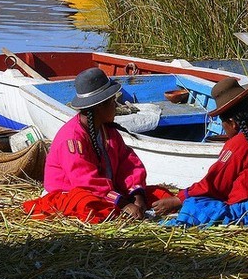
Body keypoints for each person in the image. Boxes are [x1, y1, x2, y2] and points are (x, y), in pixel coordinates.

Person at [23, 67, 172, 223]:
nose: (116, 107)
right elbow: (86, 182)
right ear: (100, 106)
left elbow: (128, 163)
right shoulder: (72, 139)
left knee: (162, 196)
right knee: (90, 207)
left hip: (109, 192)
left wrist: (137, 195)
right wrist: (123, 204)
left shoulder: (107, 130)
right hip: (71, 194)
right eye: (113, 102)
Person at [151, 77, 248, 227]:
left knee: (194, 205)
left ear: (232, 123)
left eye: (222, 123)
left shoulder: (240, 143)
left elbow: (214, 183)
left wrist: (179, 199)